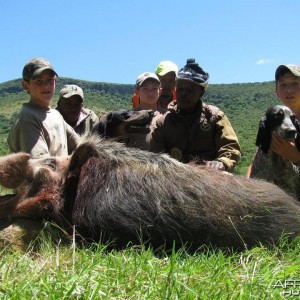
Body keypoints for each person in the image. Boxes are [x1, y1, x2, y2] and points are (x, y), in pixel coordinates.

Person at [149, 58, 241, 172]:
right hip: (175, 178)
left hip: (211, 178)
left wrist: (222, 162)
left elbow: (230, 146)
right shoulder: (163, 122)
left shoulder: (215, 117)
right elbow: (155, 157)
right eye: (180, 89)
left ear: (201, 92)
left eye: (190, 90)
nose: (183, 94)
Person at [7, 57, 80, 158]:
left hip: (61, 173)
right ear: (25, 85)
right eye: (39, 81)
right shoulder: (28, 117)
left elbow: (80, 145)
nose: (46, 86)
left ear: (56, 81)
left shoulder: (56, 114)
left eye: (50, 80)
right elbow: (42, 167)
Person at [269, 64, 300, 163]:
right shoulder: (273, 120)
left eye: (295, 83)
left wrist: (296, 157)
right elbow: (258, 159)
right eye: (283, 85)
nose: (289, 90)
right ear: (276, 91)